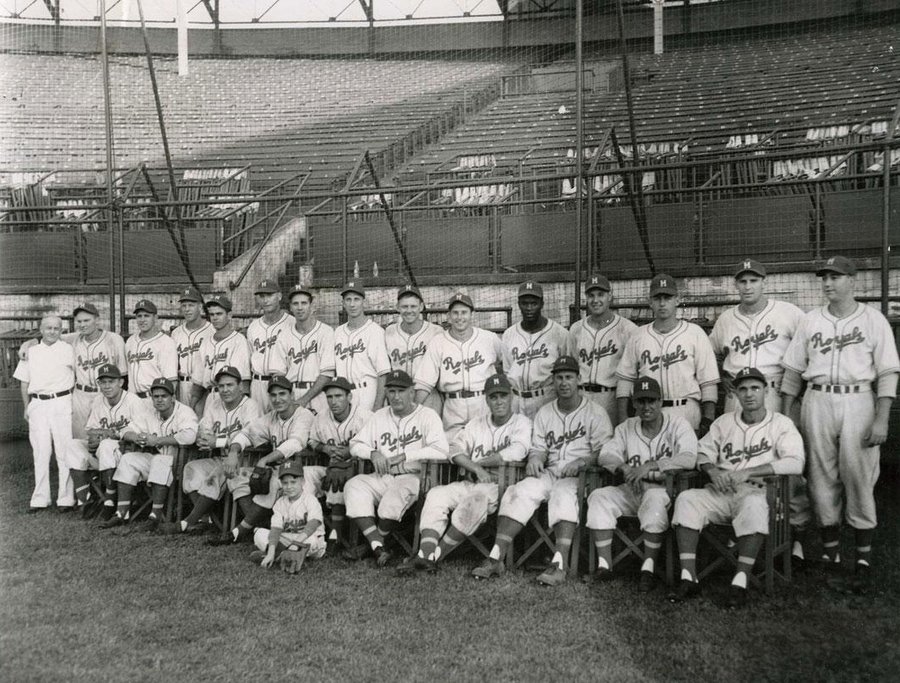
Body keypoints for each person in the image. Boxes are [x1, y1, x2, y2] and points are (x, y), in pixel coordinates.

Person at [781, 255, 899, 582]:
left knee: (859, 476)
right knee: (819, 478)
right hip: (816, 398)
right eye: (824, 277)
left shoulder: (873, 320)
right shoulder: (810, 320)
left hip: (859, 399)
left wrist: (882, 419)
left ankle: (862, 561)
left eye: (835, 277)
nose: (828, 283)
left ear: (853, 281)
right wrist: (786, 415)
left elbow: (888, 373)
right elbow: (792, 371)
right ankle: (831, 555)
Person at [669, 367, 805, 608]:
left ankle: (739, 581)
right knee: (687, 499)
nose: (749, 394)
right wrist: (712, 470)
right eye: (742, 389)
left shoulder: (781, 424)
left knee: (753, 504)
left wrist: (750, 472)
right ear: (736, 394)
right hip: (720, 493)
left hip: (760, 493)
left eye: (755, 388)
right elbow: (701, 453)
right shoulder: (724, 422)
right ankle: (688, 577)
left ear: (765, 391)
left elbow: (795, 462)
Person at [471, 356, 612, 585]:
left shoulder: (596, 412)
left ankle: (559, 564)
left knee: (563, 495)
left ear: (579, 380)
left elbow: (605, 451)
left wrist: (583, 462)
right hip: (550, 471)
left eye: (569, 377)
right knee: (518, 491)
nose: (564, 383)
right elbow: (538, 448)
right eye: (559, 378)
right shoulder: (546, 412)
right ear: (553, 381)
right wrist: (535, 458)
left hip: (582, 477)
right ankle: (496, 556)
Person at [708, 258, 811, 566]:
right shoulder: (726, 319)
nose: (748, 286)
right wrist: (722, 374)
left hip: (776, 388)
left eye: (753, 280)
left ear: (764, 282)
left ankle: (795, 534)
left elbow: (807, 349)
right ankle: (739, 525)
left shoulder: (789, 313)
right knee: (736, 456)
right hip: (738, 391)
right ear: (736, 284)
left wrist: (796, 391)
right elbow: (712, 352)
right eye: (742, 281)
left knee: (785, 462)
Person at [397, 373, 531, 575]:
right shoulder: (477, 423)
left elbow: (517, 451)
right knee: (436, 495)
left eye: (503, 396)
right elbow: (454, 448)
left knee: (475, 501)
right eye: (493, 397)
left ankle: (434, 556)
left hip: (500, 485)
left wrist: (478, 463)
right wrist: (475, 468)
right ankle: (424, 554)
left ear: (511, 396)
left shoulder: (521, 422)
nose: (499, 401)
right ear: (486, 399)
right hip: (472, 479)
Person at [585, 376, 697, 592]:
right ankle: (604, 566)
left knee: (653, 501)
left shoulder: (678, 424)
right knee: (599, 497)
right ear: (634, 404)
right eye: (641, 401)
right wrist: (623, 468)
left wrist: (651, 466)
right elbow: (606, 454)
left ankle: (648, 568)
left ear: (660, 401)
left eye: (651, 401)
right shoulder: (627, 427)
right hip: (632, 489)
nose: (646, 407)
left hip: (663, 491)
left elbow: (689, 458)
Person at [345, 370, 449, 567]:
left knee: (392, 499)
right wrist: (372, 453)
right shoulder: (380, 416)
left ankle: (375, 544)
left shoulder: (428, 416)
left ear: (412, 392)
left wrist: (407, 455)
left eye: (401, 391)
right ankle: (378, 546)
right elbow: (355, 444)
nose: (396, 396)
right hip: (383, 476)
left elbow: (442, 450)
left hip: (413, 477)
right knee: (354, 485)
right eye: (391, 391)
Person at [209, 375, 314, 546]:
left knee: (272, 481)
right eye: (273, 395)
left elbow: (296, 443)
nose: (278, 399)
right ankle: (260, 526)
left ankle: (239, 531)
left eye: (282, 394)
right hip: (275, 469)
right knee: (236, 476)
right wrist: (234, 452)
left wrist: (265, 459)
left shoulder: (304, 415)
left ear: (292, 395)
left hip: (300, 470)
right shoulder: (271, 417)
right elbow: (246, 433)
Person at [159, 366, 262, 535]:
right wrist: (206, 439)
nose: (225, 390)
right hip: (219, 457)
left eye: (230, 385)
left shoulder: (250, 406)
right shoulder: (214, 405)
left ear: (240, 386)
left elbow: (252, 437)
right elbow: (204, 431)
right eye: (221, 386)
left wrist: (218, 441)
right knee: (191, 468)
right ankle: (205, 518)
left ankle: (187, 522)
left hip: (244, 460)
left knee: (219, 472)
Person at [616, 274, 719, 433]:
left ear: (677, 300)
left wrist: (708, 420)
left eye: (668, 298)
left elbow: (708, 381)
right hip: (647, 411)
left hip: (686, 409)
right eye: (657, 298)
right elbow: (625, 380)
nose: (662, 303)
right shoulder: (638, 335)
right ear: (650, 302)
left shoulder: (695, 333)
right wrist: (622, 418)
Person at [99, 377, 198, 532]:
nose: (159, 400)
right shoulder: (150, 412)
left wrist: (157, 440)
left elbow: (190, 436)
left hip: (181, 463)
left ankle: (155, 516)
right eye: (156, 396)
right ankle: (121, 512)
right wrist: (136, 437)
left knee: (160, 460)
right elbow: (126, 430)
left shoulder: (185, 412)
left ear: (173, 397)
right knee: (128, 459)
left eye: (164, 396)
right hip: (157, 461)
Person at [18, 303, 128, 442]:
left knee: (107, 438)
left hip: (105, 394)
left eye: (87, 320)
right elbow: (50, 336)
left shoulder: (114, 339)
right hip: (80, 395)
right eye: (79, 321)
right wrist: (29, 343)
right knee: (79, 439)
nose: (82, 325)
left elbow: (123, 375)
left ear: (97, 320)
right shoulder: (74, 338)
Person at [415, 292, 503, 440]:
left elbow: (509, 366)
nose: (459, 317)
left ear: (471, 315)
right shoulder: (438, 342)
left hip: (482, 402)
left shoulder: (489, 338)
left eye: (464, 312)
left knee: (485, 446)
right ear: (448, 316)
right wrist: (412, 411)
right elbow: (424, 382)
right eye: (455, 313)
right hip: (453, 406)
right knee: (453, 450)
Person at [13, 314, 76, 512]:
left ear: (61, 331)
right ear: (40, 330)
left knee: (64, 451)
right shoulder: (31, 351)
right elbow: (24, 383)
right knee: (41, 452)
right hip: (38, 404)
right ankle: (40, 498)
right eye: (48, 328)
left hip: (62, 402)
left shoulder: (68, 349)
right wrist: (27, 407)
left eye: (56, 328)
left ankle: (66, 498)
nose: (52, 331)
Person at [65, 363, 145, 518]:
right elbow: (90, 429)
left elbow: (140, 431)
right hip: (103, 451)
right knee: (73, 444)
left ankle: (109, 499)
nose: (107, 386)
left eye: (111, 381)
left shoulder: (133, 401)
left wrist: (108, 435)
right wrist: (101, 435)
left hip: (127, 453)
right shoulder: (98, 400)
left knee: (107, 445)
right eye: (103, 382)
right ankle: (85, 500)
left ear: (121, 382)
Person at [302, 376, 372, 550]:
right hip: (332, 467)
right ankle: (307, 528)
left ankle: (336, 534)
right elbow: (312, 441)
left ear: (349, 397)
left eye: (339, 396)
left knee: (338, 476)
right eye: (330, 397)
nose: (334, 401)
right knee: (306, 474)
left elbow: (376, 446)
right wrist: (324, 448)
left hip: (362, 472)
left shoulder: (366, 416)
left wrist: (350, 451)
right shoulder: (321, 417)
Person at [567, 274, 637, 424]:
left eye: (601, 295)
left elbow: (632, 372)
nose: (596, 300)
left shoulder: (627, 329)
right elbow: (571, 368)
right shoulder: (576, 329)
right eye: (591, 295)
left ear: (610, 296)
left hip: (610, 397)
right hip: (582, 395)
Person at [501, 281, 569, 419]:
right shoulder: (509, 334)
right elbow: (507, 371)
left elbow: (567, 371)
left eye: (534, 303)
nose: (529, 308)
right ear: (518, 304)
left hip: (546, 399)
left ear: (542, 304)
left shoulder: (559, 333)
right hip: (516, 401)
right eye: (525, 303)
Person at [250, 460, 326, 574]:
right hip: (288, 540)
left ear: (303, 482)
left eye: (293, 482)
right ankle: (282, 556)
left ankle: (282, 555)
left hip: (308, 539)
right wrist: (271, 552)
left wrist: (296, 544)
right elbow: (276, 529)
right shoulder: (280, 503)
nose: (289, 486)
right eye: (285, 483)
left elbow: (313, 524)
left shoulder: (310, 500)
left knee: (312, 540)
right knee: (259, 533)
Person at [277, 284, 336, 416]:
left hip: (318, 394)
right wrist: (287, 398)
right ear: (290, 308)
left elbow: (327, 374)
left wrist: (304, 399)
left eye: (304, 303)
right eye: (295, 303)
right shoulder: (283, 335)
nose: (299, 307)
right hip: (291, 394)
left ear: (311, 306)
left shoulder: (326, 332)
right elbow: (279, 374)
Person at [384, 284, 443, 413]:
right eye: (405, 306)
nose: (409, 310)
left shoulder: (436, 332)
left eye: (413, 306)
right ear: (397, 307)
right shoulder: (389, 332)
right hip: (399, 394)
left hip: (428, 395)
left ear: (421, 307)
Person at [333, 280, 390, 411]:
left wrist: (377, 406)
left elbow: (383, 373)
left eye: (356, 299)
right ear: (343, 303)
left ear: (364, 302)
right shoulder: (338, 332)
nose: (352, 304)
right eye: (348, 299)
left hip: (367, 392)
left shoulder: (375, 331)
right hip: (343, 394)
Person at [189, 294, 251, 411]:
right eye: (212, 314)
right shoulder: (206, 343)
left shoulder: (238, 340)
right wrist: (191, 408)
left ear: (229, 315)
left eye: (219, 314)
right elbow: (198, 383)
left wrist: (242, 408)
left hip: (231, 397)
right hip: (210, 396)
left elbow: (243, 382)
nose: (215, 318)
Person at [246, 279, 295, 410]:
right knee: (258, 426)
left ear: (279, 296)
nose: (265, 300)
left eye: (269, 295)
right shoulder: (253, 327)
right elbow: (250, 358)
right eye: (262, 296)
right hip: (258, 384)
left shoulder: (292, 323)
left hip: (282, 384)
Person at [125, 299, 179, 401]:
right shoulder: (130, 341)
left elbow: (171, 381)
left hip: (154, 399)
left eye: (146, 316)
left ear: (155, 318)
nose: (142, 320)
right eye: (139, 316)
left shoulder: (166, 342)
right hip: (132, 400)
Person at [170, 287, 214, 407]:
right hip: (180, 385)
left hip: (202, 387)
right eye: (184, 306)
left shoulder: (211, 330)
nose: (187, 309)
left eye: (191, 305)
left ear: (200, 307)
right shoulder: (176, 333)